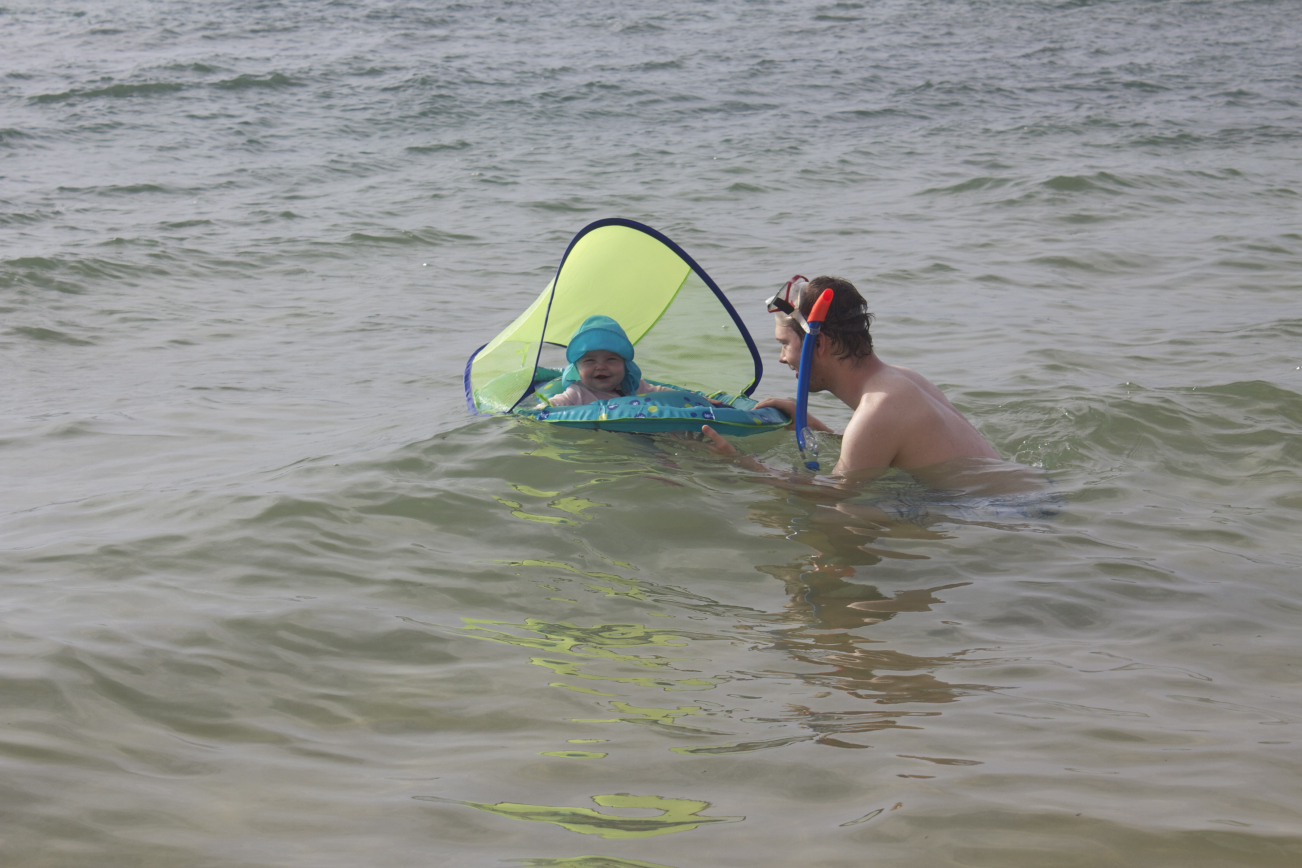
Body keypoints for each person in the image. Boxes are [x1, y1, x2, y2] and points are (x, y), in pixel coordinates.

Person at [701, 275, 1000, 478]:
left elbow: (834, 501)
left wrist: (740, 463)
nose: (782, 357)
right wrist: (812, 425)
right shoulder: (902, 380)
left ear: (818, 344)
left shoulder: (878, 411)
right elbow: (878, 448)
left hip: (999, 513)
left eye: (785, 344)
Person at [543, 315, 676, 407]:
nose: (601, 366)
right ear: (576, 368)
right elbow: (553, 404)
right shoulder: (578, 393)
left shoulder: (634, 386)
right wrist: (540, 409)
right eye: (590, 360)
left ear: (625, 365)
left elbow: (664, 393)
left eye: (611, 359)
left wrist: (686, 397)